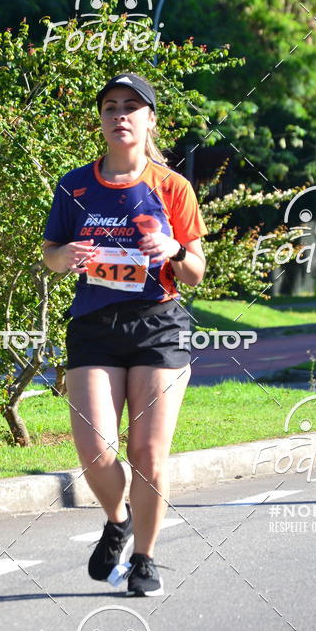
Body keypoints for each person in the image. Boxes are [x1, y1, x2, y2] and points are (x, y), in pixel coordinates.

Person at [42, 72, 208, 596]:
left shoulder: (171, 187)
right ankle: (118, 520)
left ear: (149, 119)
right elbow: (50, 254)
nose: (120, 115)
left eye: (131, 107)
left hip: (158, 326)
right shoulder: (74, 185)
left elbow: (198, 271)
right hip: (94, 325)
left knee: (149, 452)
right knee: (94, 449)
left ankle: (144, 559)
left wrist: (174, 250)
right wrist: (62, 258)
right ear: (100, 119)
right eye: (110, 106)